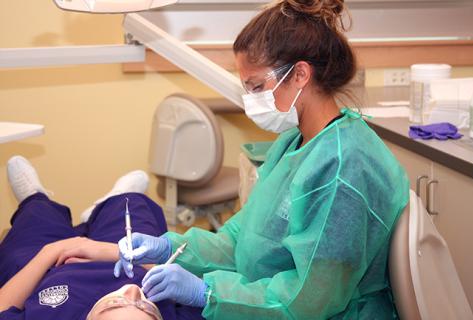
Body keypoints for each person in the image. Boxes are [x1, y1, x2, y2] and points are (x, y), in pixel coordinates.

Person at [115, 0, 410, 319]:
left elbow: (310, 300)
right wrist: (171, 247)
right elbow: (241, 239)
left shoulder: (344, 167)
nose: (250, 101)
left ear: (300, 74)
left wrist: (207, 293)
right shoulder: (292, 143)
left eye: (257, 87)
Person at [0, 156, 204, 320]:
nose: (133, 291)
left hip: (48, 270)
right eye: (148, 308)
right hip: (128, 261)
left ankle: (34, 198)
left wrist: (52, 251)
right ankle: (110, 202)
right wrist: (113, 252)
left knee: (33, 226)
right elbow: (197, 287)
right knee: (132, 210)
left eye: (114, 304)